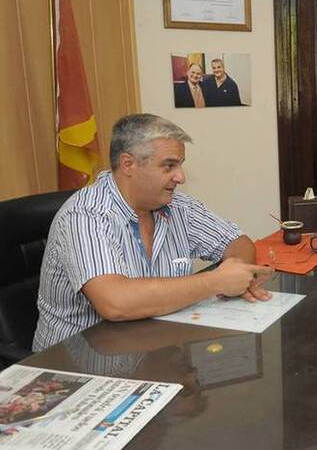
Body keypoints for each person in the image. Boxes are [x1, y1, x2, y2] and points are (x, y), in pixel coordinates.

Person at [33, 113, 272, 351]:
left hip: (154, 348)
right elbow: (115, 303)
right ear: (128, 164)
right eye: (169, 165)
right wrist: (216, 281)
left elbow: (236, 240)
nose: (180, 177)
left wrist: (237, 274)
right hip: (78, 365)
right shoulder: (85, 215)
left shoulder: (177, 206)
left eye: (180, 165)